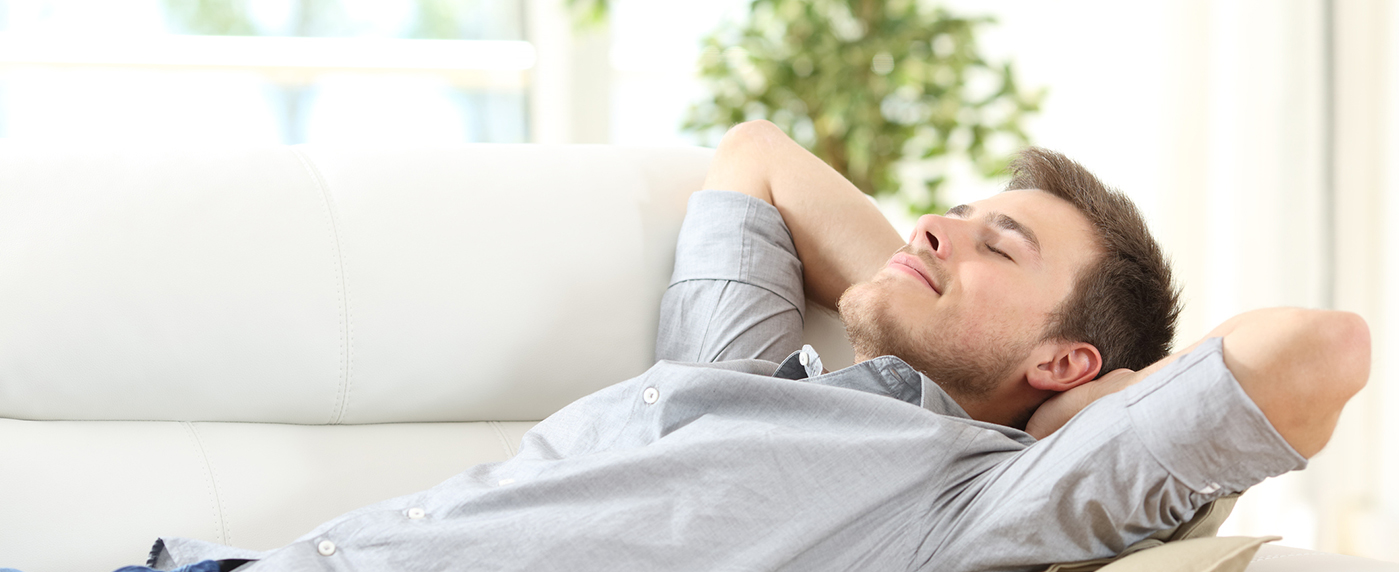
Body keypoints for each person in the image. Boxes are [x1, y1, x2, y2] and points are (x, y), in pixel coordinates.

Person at [137, 121, 1368, 572]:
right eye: (952, 212)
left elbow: (1316, 349)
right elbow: (756, 156)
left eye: (1000, 244)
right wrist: (919, 296)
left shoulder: (970, 500)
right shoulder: (752, 374)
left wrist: (1070, 414)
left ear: (1065, 366)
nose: (934, 223)